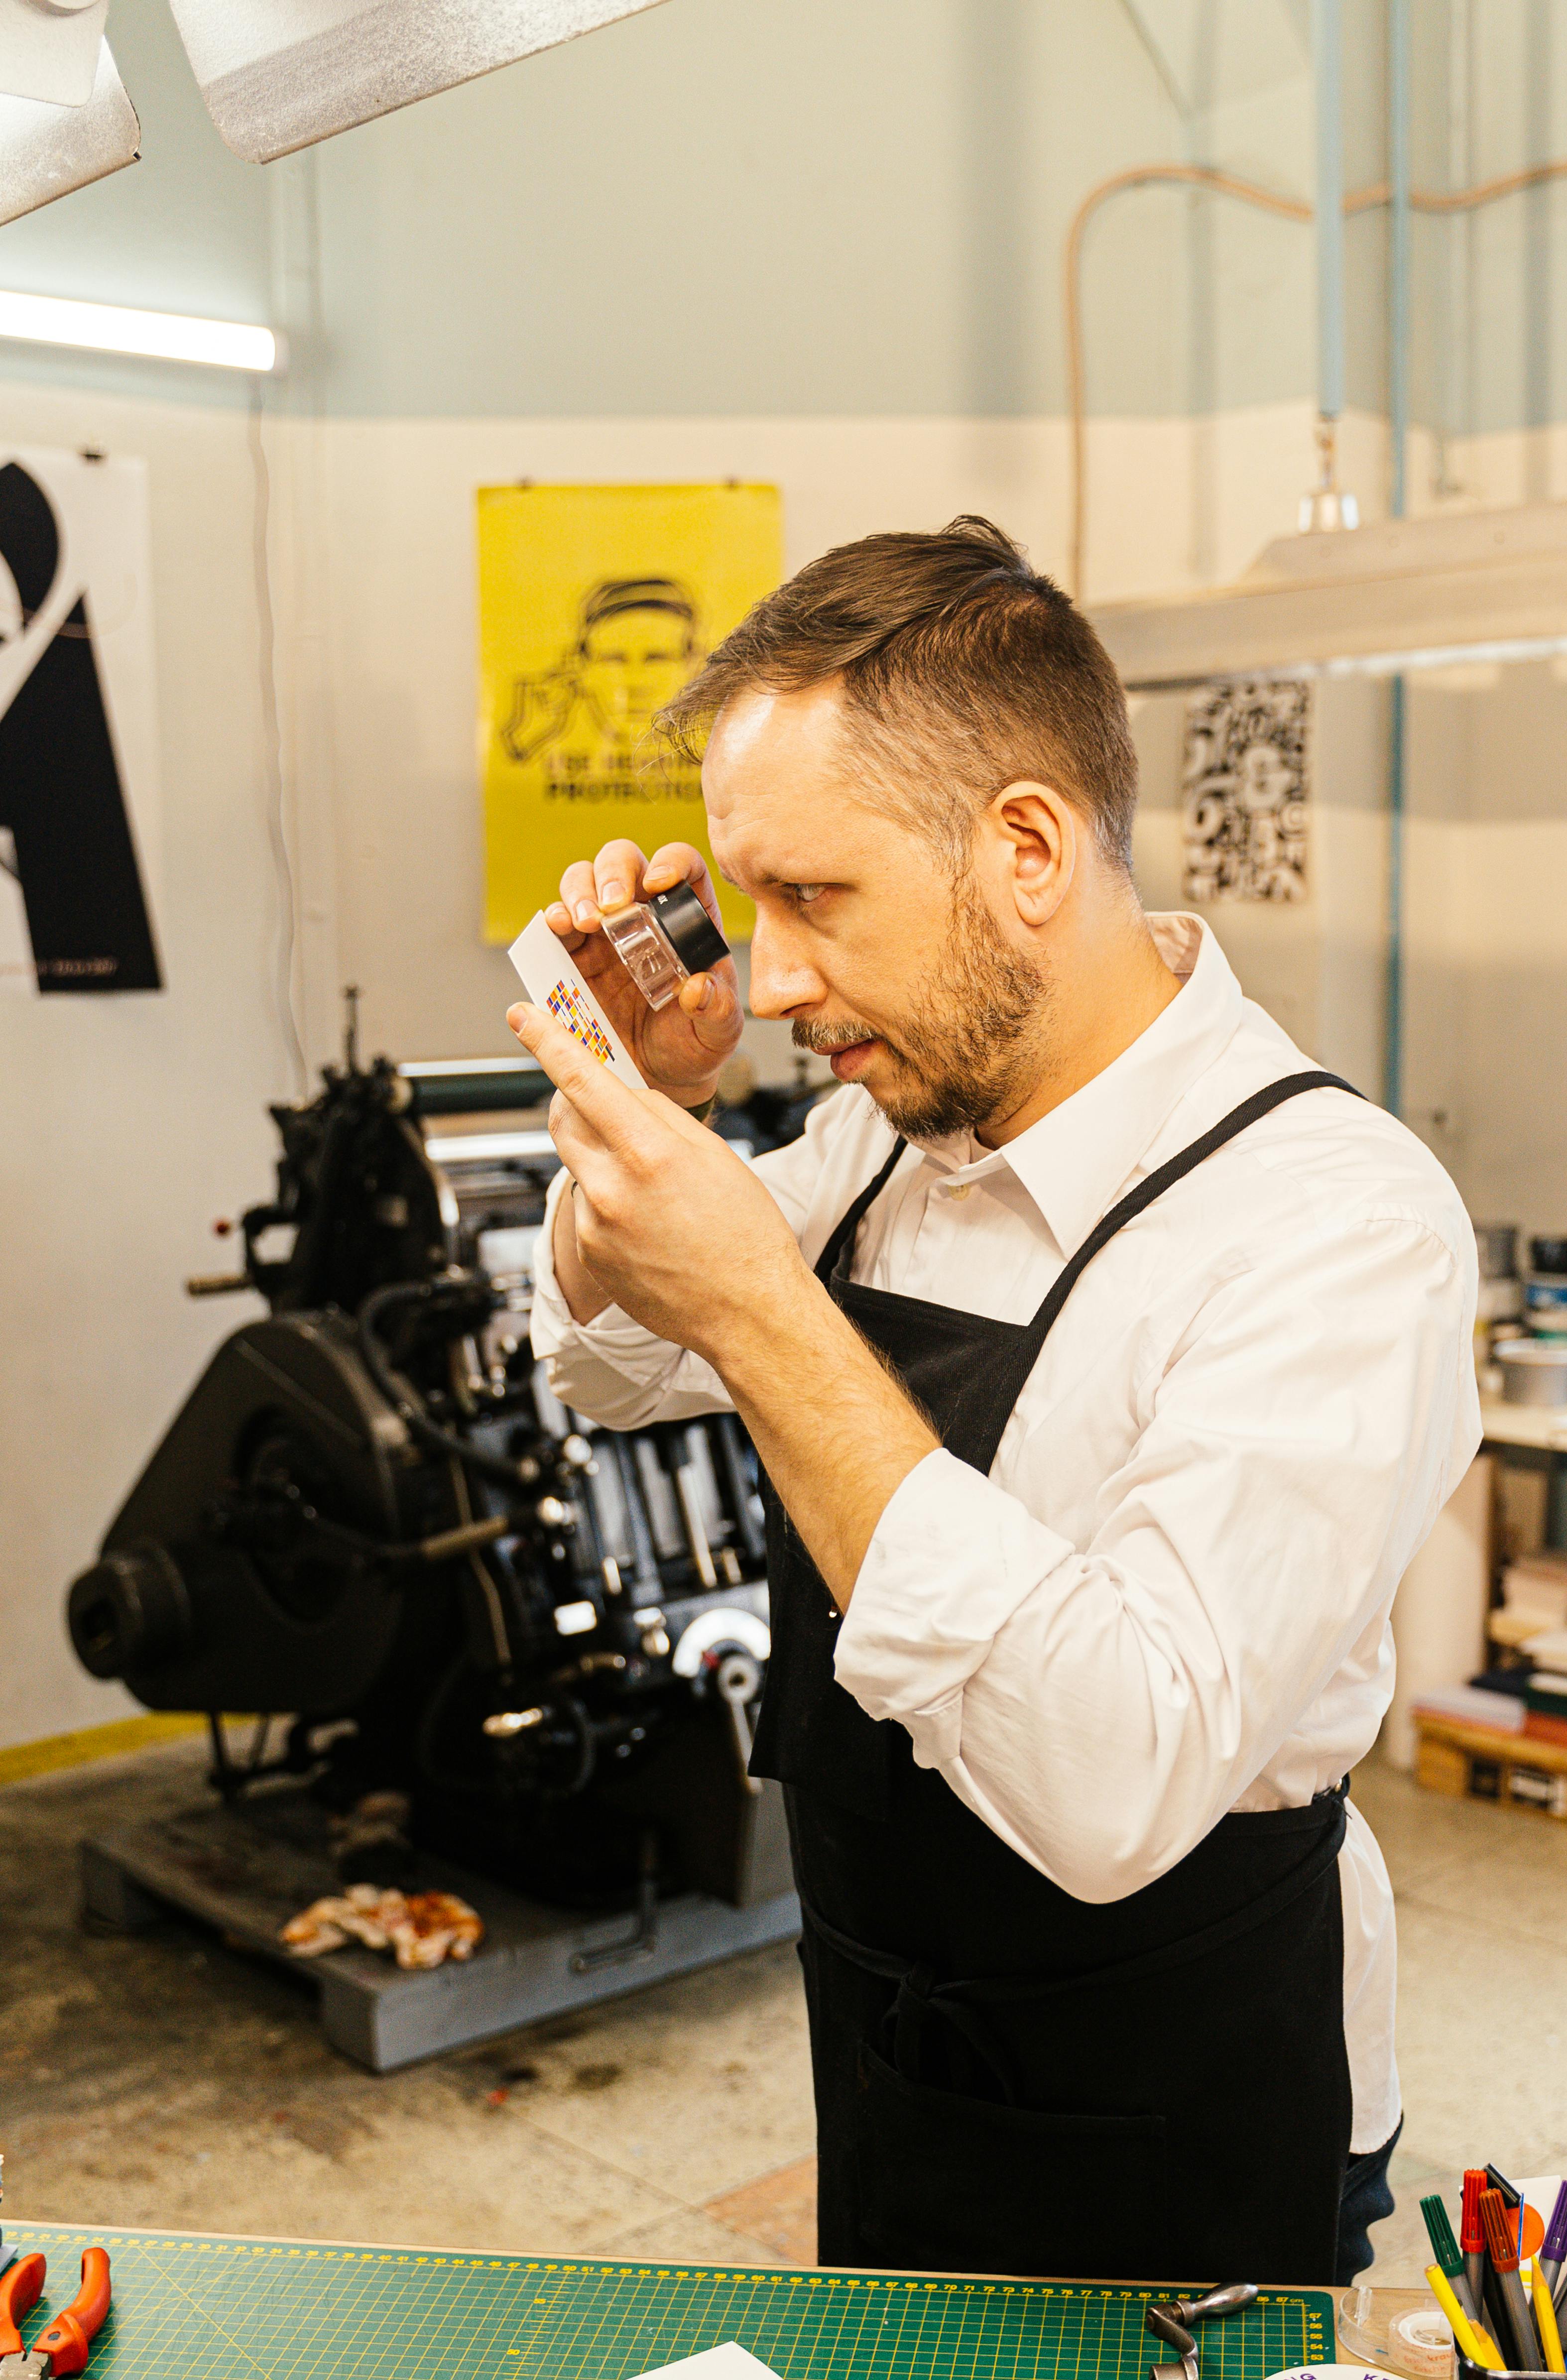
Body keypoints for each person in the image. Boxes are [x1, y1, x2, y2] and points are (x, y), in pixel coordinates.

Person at [514, 515, 1478, 2285]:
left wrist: (768, 1312)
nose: (776, 976)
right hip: (888, 2033)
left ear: (1026, 845)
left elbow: (1122, 1776)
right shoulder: (893, 1135)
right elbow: (613, 1364)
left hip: (1183, 2085)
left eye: (815, 896)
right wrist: (643, 1116)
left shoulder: (1337, 1221)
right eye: (749, 905)